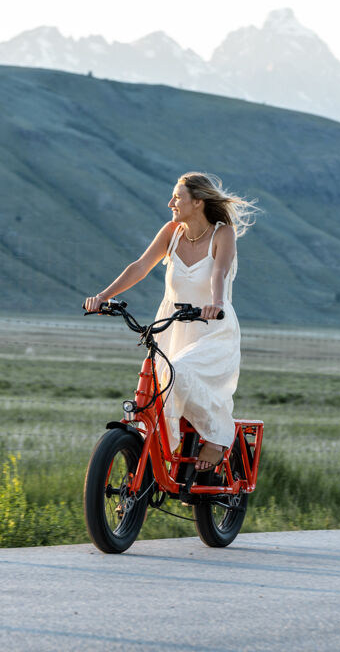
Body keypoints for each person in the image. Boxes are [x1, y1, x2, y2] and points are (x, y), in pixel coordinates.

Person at [84, 172, 258, 471]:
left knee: (180, 372)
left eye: (177, 197)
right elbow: (139, 267)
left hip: (212, 328)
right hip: (173, 327)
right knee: (156, 387)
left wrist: (215, 303)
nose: (171, 203)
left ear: (198, 202)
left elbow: (218, 273)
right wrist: (103, 296)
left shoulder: (223, 233)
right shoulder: (172, 231)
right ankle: (159, 457)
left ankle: (217, 438)